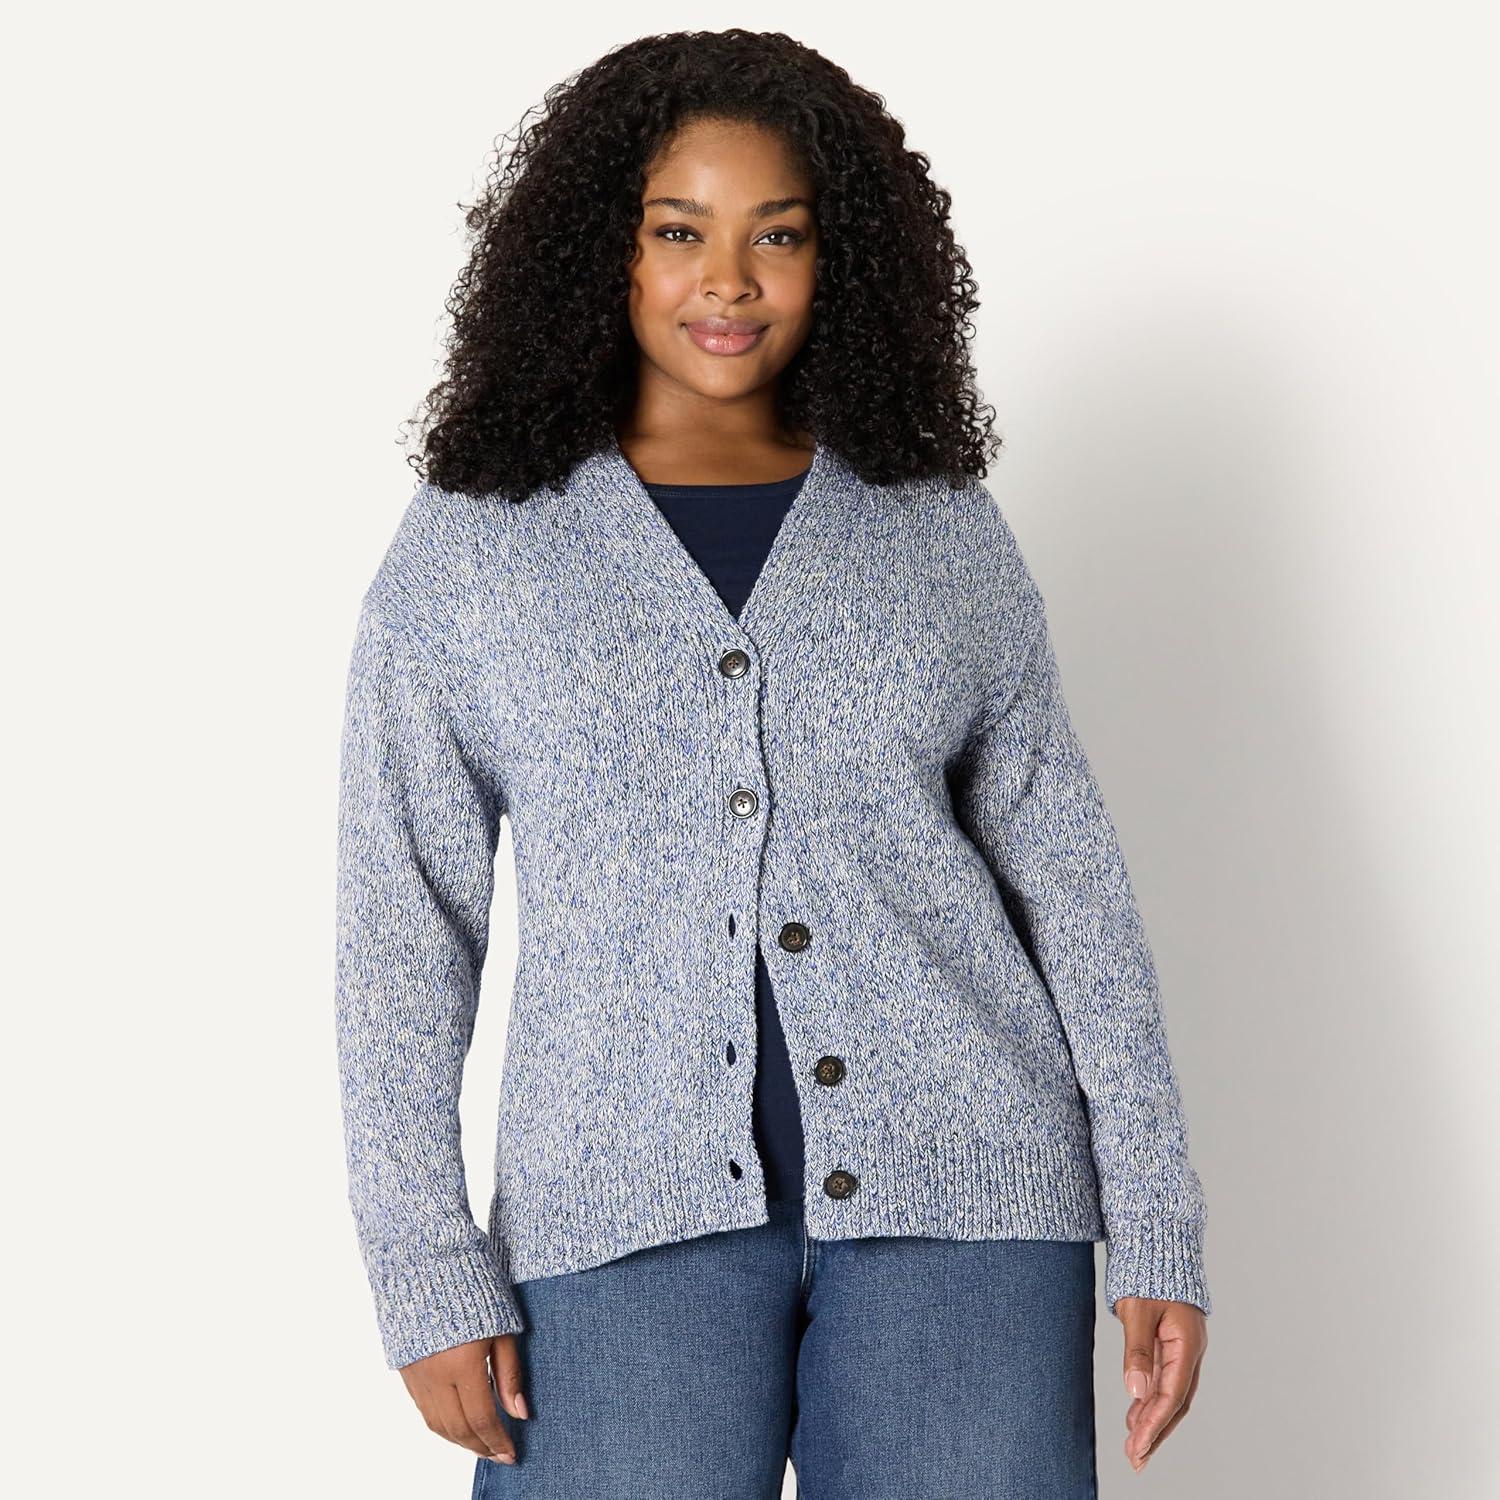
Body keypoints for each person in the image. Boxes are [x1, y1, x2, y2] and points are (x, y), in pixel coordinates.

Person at [335, 28, 1211, 1497]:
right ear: (603, 252)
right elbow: (399, 925)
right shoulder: (474, 548)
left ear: (837, 259)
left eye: (779, 236)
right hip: (616, 1222)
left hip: (970, 1210)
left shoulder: (934, 524)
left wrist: (1158, 1217)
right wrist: (423, 1265)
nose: (728, 282)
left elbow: (1074, 893)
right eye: (679, 231)